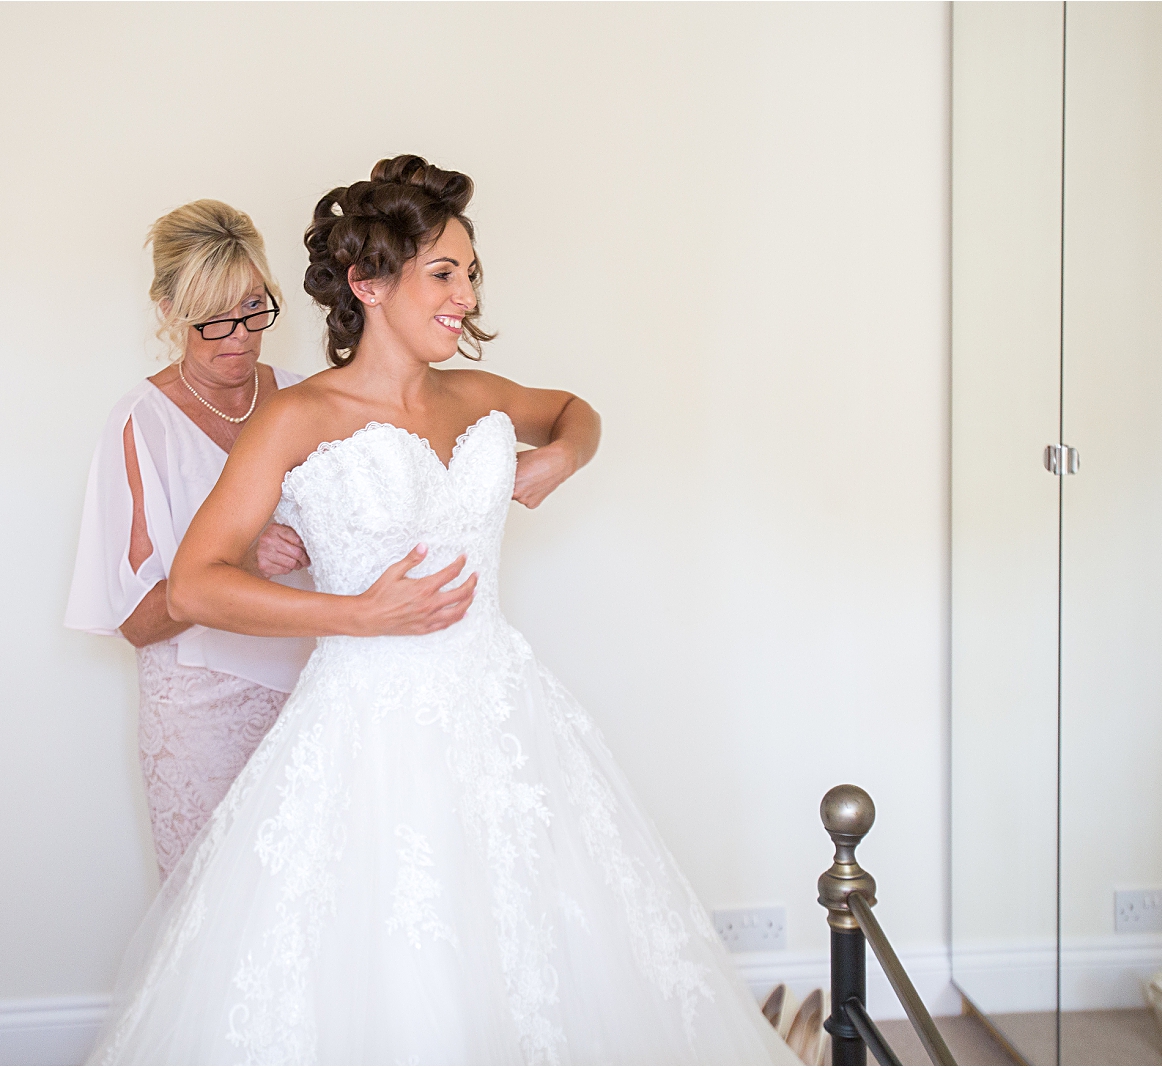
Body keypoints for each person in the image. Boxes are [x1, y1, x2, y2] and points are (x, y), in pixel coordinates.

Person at [85, 158, 797, 1065]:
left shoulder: (478, 395)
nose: (465, 296)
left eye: (470, 273)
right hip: (366, 727)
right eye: (444, 273)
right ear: (368, 284)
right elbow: (193, 584)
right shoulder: (299, 416)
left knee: (537, 946)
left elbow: (578, 411)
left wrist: (557, 458)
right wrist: (356, 613)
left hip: (505, 712)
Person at [65, 200, 317, 883]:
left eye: (254, 308)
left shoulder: (305, 402)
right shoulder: (141, 424)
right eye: (213, 316)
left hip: (315, 693)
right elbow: (140, 623)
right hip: (200, 713)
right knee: (210, 909)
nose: (238, 336)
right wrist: (236, 558)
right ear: (168, 309)